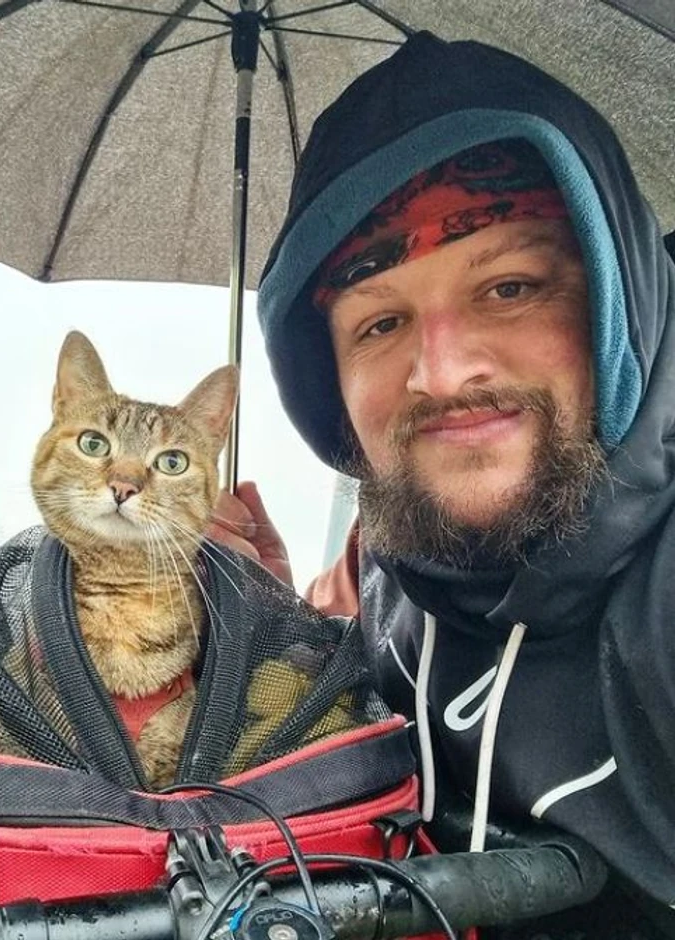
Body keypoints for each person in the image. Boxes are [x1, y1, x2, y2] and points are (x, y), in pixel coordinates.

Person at [211, 31, 675, 936]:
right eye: (380, 323)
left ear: (615, 296)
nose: (442, 372)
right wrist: (271, 634)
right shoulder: (380, 556)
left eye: (509, 287)